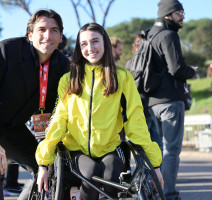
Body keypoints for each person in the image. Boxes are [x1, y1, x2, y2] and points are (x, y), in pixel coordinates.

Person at [36, 22, 163, 200]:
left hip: (110, 147)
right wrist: (44, 162)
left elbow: (135, 119)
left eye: (95, 41)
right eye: (84, 44)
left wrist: (154, 164)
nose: (90, 48)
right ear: (79, 49)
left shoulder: (122, 77)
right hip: (76, 149)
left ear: (104, 43)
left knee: (112, 177)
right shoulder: (68, 79)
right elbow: (59, 119)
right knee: (91, 175)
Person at [0, 9, 70, 200]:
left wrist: (46, 148)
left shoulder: (61, 65)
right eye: (41, 29)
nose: (47, 35)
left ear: (60, 36)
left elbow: (48, 113)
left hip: (12, 126)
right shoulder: (7, 50)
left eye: (54, 30)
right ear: (30, 34)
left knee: (44, 165)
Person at [147, 1, 196, 199]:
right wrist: (192, 71)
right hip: (170, 101)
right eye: (179, 12)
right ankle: (169, 193)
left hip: (152, 102)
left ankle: (155, 191)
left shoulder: (150, 35)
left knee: (157, 150)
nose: (183, 16)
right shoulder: (169, 35)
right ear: (168, 14)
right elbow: (176, 68)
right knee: (171, 150)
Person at [125, 33, 162, 149]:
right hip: (148, 107)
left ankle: (151, 167)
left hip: (142, 108)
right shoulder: (153, 62)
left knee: (145, 146)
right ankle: (156, 167)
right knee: (155, 144)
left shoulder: (129, 64)